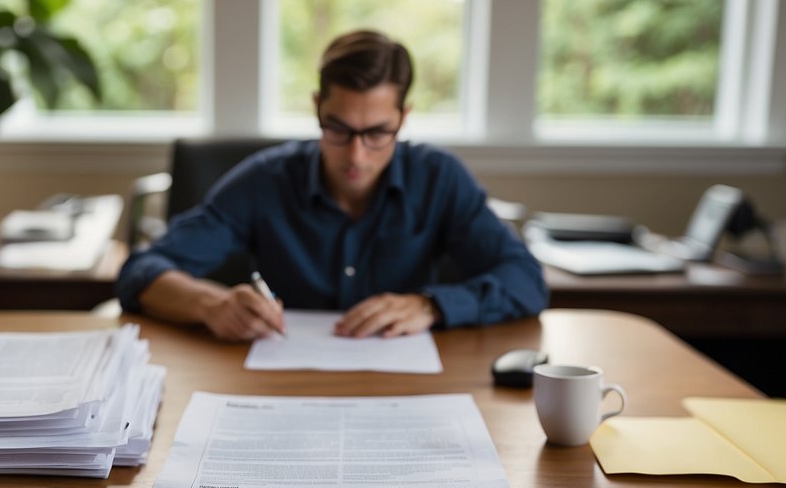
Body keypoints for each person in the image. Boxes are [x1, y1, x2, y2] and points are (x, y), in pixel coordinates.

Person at [116, 29, 548, 341]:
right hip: (276, 386)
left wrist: (431, 305)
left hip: (406, 388)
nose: (357, 155)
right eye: (338, 129)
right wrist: (212, 305)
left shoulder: (439, 178)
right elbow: (141, 272)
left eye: (378, 133)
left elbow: (526, 280)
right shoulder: (265, 180)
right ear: (317, 107)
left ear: (404, 117)